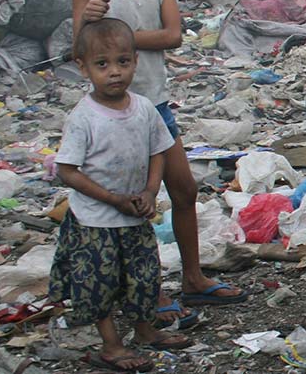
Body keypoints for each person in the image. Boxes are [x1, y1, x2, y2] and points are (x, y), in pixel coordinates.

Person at [70, 0, 246, 322]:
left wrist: (115, 37)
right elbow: (82, 50)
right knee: (135, 208)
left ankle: (192, 279)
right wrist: (91, 25)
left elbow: (173, 35)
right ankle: (149, 296)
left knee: (184, 189)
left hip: (157, 106)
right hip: (116, 112)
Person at [52, 18, 192, 372]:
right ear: (83, 67)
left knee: (143, 278)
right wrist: (112, 198)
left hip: (134, 214)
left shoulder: (143, 108)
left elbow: (157, 149)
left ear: (135, 62)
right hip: (94, 221)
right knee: (100, 283)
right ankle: (112, 346)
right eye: (102, 64)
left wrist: (150, 189)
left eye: (123, 62)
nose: (114, 72)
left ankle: (145, 332)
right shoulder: (84, 118)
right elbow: (67, 171)